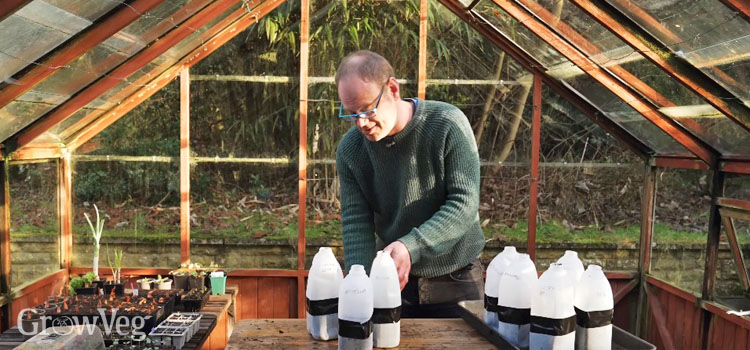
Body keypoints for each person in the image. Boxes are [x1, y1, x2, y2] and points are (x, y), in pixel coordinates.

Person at [335, 50, 485, 318]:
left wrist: (410, 246)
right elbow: (356, 221)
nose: (361, 123)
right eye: (351, 113)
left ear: (392, 88)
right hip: (391, 281)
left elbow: (464, 204)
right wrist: (362, 284)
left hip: (456, 279)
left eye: (368, 109)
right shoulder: (351, 150)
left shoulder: (447, 124)